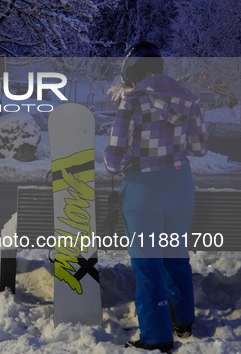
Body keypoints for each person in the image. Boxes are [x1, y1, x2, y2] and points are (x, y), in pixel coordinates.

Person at [104, 42, 209, 352]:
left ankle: (156, 336)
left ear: (132, 73)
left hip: (143, 190)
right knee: (176, 255)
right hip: (180, 186)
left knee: (148, 263)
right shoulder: (188, 101)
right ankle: (183, 321)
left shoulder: (132, 102)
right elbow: (200, 149)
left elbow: (113, 161)